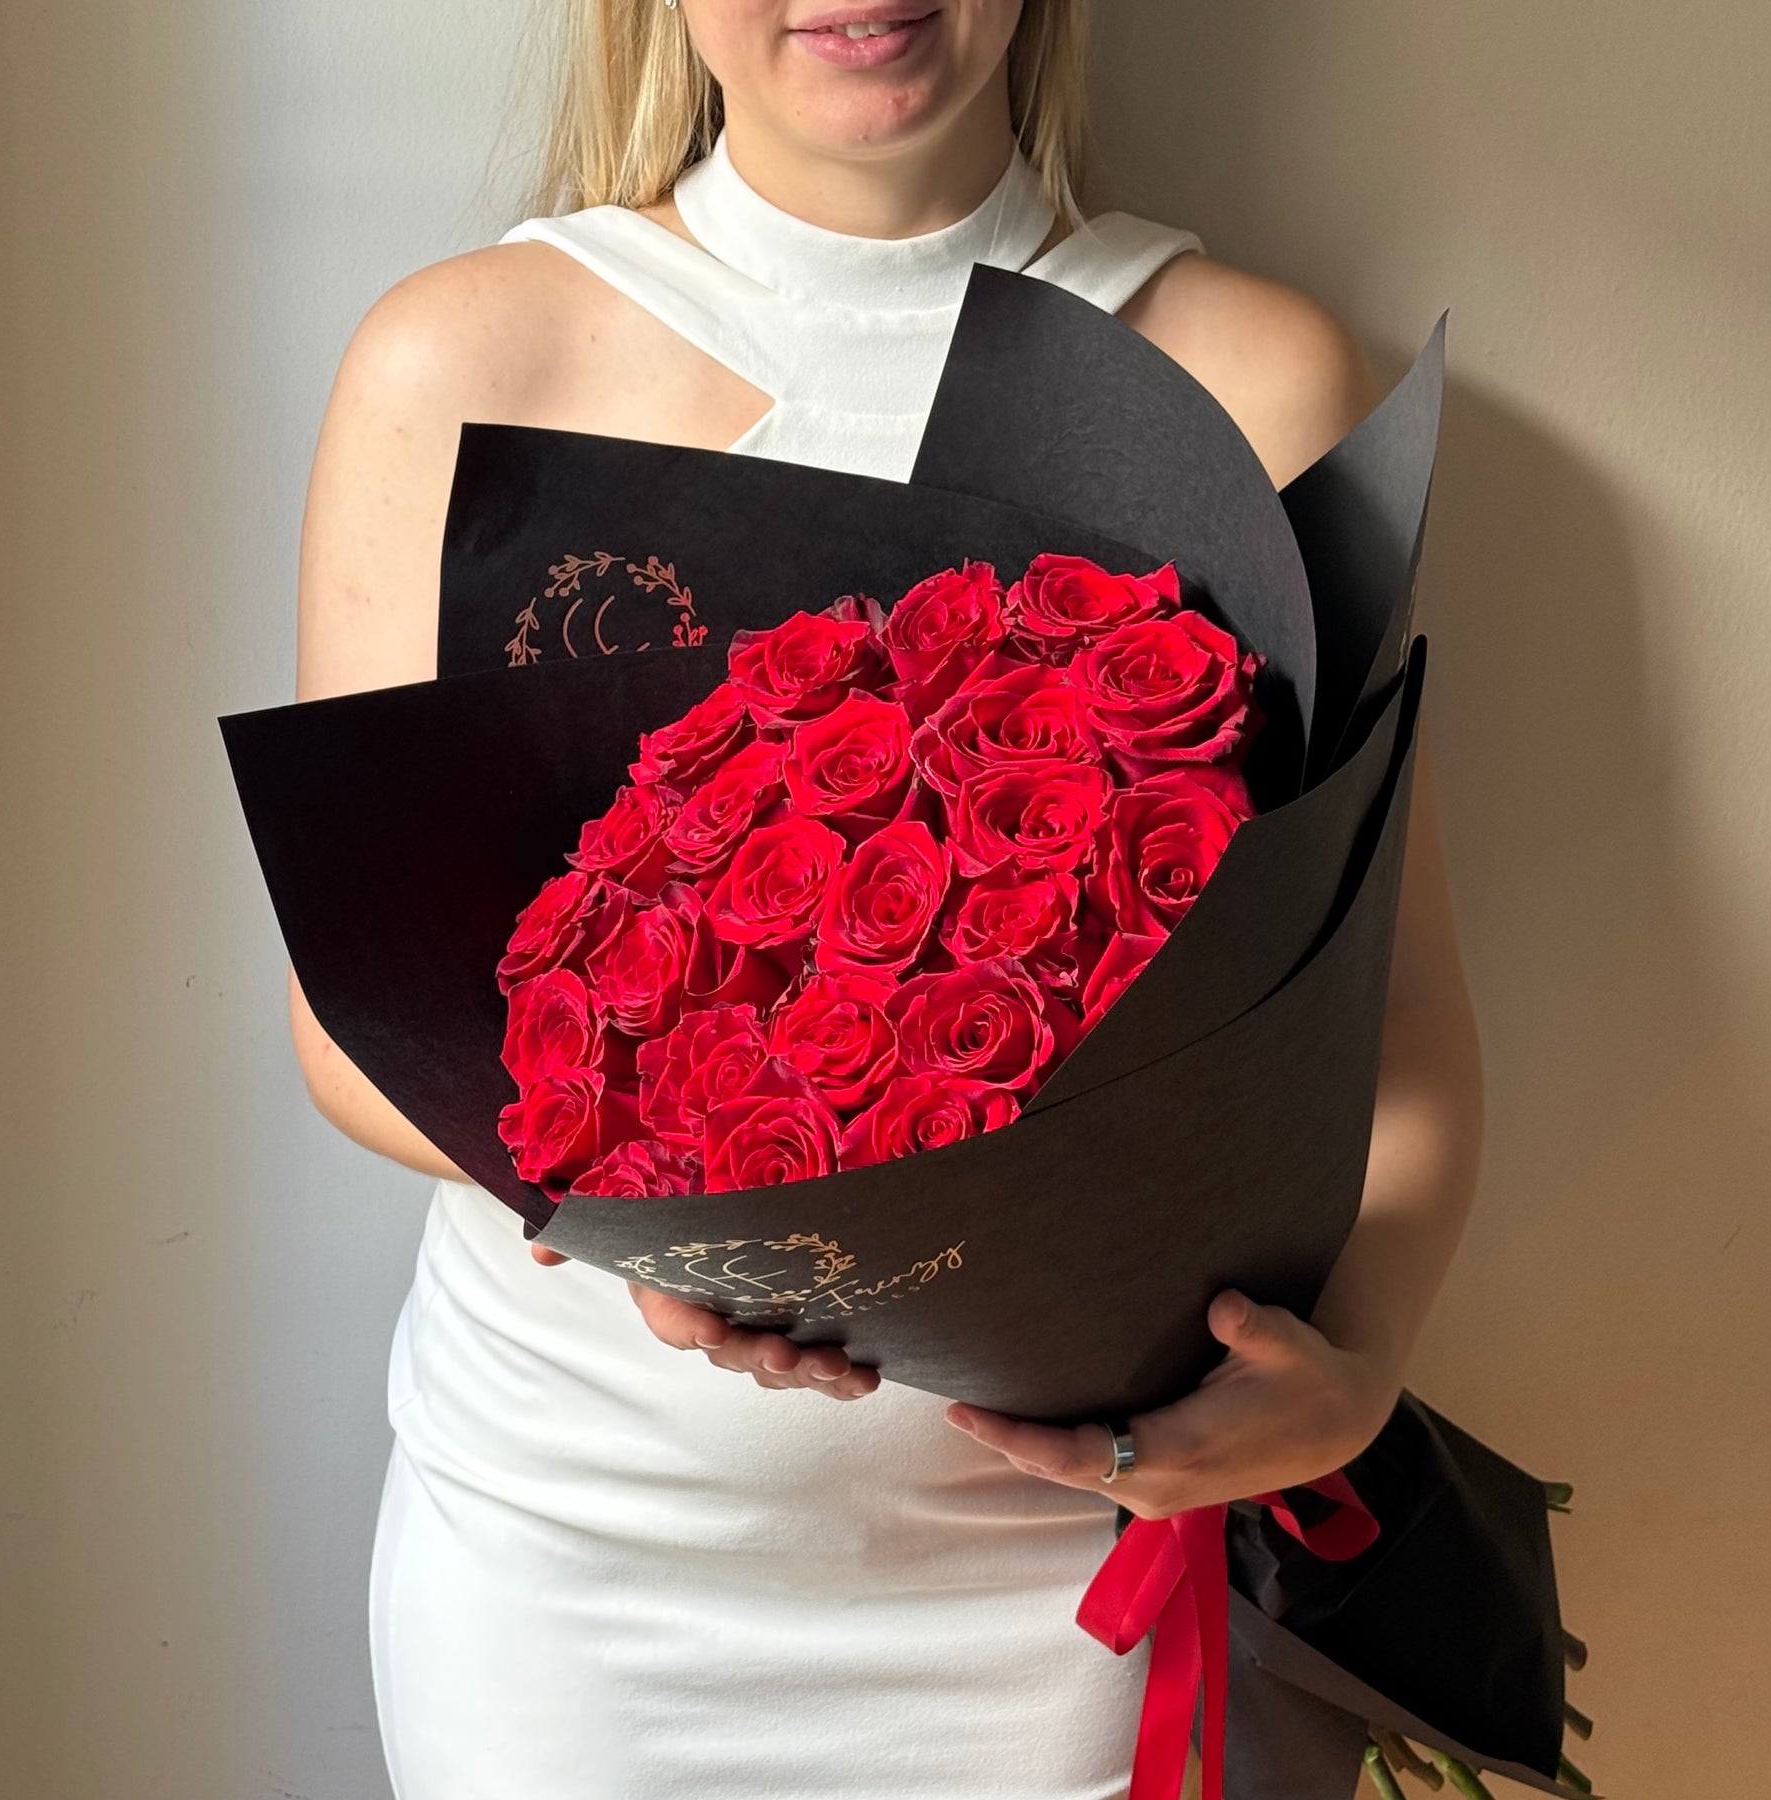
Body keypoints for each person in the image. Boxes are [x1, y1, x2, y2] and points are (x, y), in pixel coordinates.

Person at [288, 3, 1485, 1794]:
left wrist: (1356, 1367)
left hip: (1056, 1591)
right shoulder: (461, 357)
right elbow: (351, 1026)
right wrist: (667, 1212)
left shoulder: (1256, 377)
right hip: (577, 1575)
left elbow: (1399, 1029)